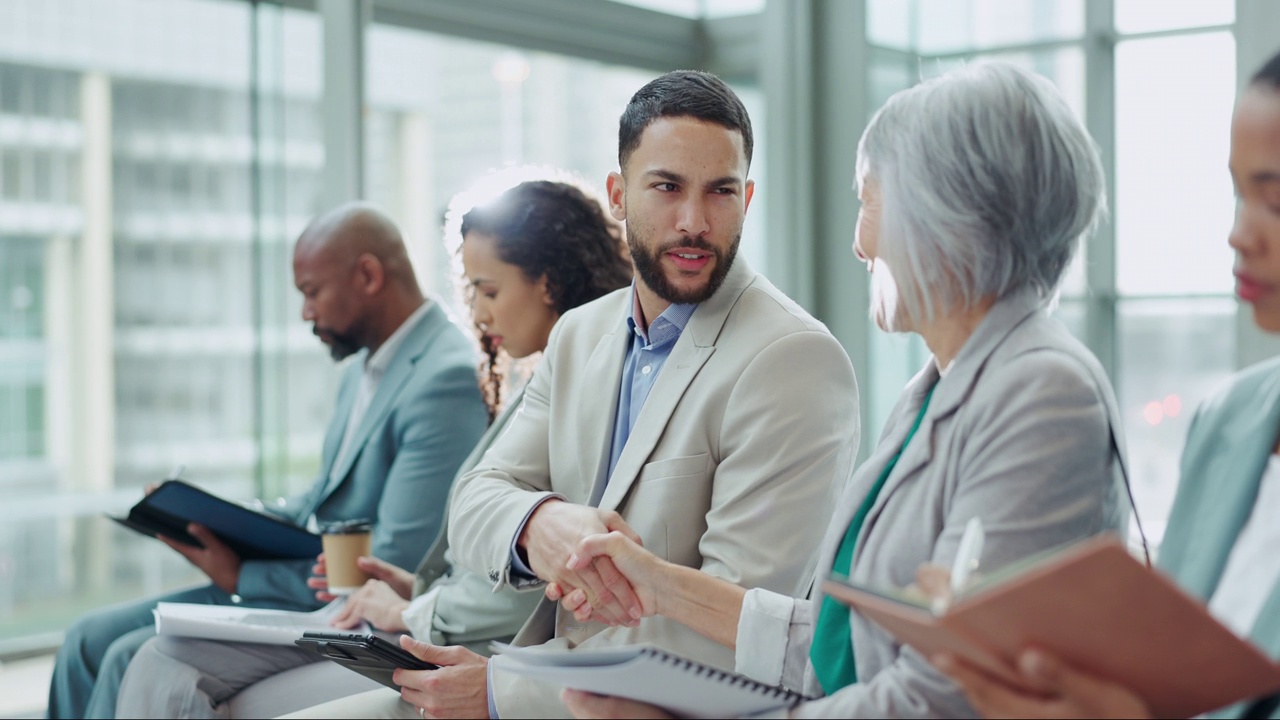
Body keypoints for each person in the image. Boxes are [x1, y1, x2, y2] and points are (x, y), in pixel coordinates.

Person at [556, 60, 1134, 719]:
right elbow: (850, 647)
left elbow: (936, 696)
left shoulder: (1041, 394)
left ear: (944, 214)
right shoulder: (938, 388)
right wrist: (661, 588)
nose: (860, 244)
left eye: (868, 201)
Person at [288, 69, 862, 719]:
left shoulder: (792, 359)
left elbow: (732, 629)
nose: (694, 221)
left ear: (748, 199)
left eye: (721, 192)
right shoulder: (581, 334)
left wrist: (506, 691)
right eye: (667, 187)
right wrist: (539, 525)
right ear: (618, 194)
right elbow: (475, 501)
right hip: (528, 675)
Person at [112, 176, 635, 718]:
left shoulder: (570, 395)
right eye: (472, 291)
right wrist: (415, 589)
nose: (477, 313)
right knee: (159, 657)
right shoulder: (535, 386)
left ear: (548, 283)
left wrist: (413, 610)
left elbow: (531, 575)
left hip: (465, 645)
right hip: (422, 613)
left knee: (167, 664)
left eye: (489, 290)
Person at [931, 48, 1280, 720]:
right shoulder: (1227, 421)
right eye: (1237, 193)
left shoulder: (1043, 381)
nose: (1238, 234)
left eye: (1276, 200)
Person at [48, 203, 489, 719]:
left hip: (338, 604)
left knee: (125, 653)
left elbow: (393, 559)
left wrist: (244, 579)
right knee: (83, 640)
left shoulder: (446, 378)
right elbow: (317, 504)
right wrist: (217, 517)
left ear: (368, 275)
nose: (305, 312)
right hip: (299, 577)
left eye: (311, 291)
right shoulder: (362, 371)